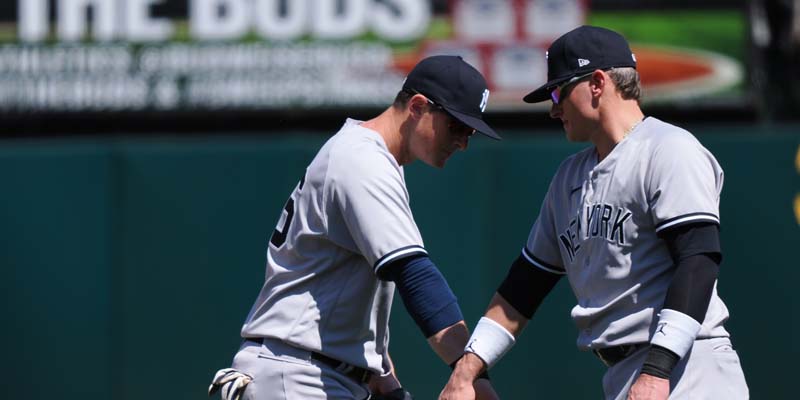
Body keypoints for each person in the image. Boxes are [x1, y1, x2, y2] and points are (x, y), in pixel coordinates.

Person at [439, 26, 749, 400]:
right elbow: (523, 288)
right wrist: (467, 371)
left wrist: (656, 371)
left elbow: (698, 261)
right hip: (626, 373)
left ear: (597, 83)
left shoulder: (668, 149)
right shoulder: (570, 176)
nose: (553, 109)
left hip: (688, 368)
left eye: (558, 92)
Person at [208, 55, 501, 400]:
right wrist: (470, 373)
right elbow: (416, 276)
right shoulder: (362, 160)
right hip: (298, 372)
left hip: (312, 371)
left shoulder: (370, 158)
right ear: (419, 106)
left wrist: (385, 379)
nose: (463, 142)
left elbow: (339, 297)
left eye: (469, 132)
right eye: (456, 127)